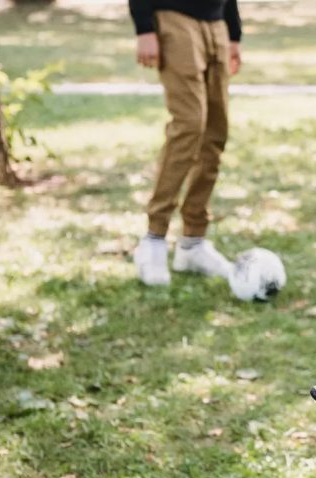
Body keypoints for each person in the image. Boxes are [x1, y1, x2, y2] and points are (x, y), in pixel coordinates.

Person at [127, 0, 242, 286]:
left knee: (215, 133)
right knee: (189, 125)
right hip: (174, 18)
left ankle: (193, 242)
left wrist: (234, 33)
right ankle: (153, 239)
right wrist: (144, 28)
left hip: (216, 24)